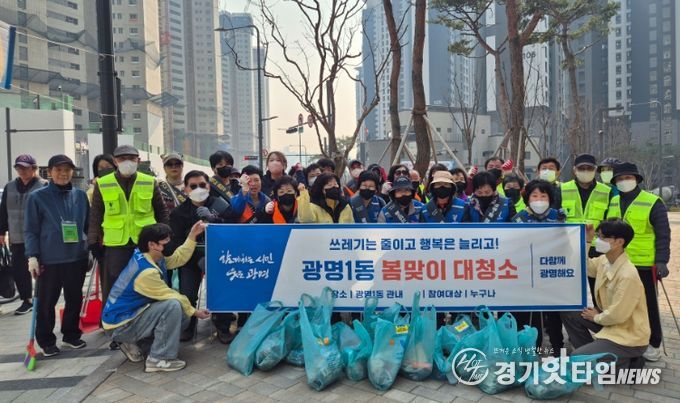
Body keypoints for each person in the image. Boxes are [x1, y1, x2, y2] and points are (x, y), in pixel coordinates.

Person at [88, 145, 169, 351]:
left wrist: (164, 237)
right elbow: (96, 214)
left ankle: (148, 330)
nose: (127, 162)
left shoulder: (149, 181)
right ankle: (116, 333)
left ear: (138, 160)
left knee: (148, 284)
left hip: (145, 244)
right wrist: (93, 241)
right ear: (115, 161)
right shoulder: (103, 183)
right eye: (122, 158)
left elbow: (161, 211)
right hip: (116, 245)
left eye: (132, 158)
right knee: (114, 288)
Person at [102, 222, 211, 372]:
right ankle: (159, 358)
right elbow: (171, 295)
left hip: (126, 318)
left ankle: (141, 345)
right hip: (120, 326)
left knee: (182, 313)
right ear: (152, 244)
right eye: (165, 242)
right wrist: (196, 312)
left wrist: (192, 235)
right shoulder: (146, 273)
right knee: (173, 306)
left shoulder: (148, 256)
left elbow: (178, 258)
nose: (169, 245)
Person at [561, 219, 650, 369]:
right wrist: (587, 240)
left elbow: (618, 315)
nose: (598, 240)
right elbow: (584, 266)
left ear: (619, 242)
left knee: (577, 358)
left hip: (627, 334)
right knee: (569, 311)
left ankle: (626, 361)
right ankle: (595, 352)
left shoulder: (628, 275)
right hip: (609, 321)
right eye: (598, 236)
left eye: (603, 237)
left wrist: (596, 317)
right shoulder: (605, 260)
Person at [24, 155, 89, 356]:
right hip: (49, 259)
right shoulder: (37, 197)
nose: (63, 173)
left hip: (76, 257)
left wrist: (91, 247)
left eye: (67, 170)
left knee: (74, 298)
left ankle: (71, 334)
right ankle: (46, 340)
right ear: (49, 172)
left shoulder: (80, 196)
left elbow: (88, 226)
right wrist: (32, 256)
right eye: (58, 169)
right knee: (46, 302)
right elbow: (31, 230)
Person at [606, 162, 671, 362]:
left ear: (636, 179)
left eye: (628, 177)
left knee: (648, 305)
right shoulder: (614, 201)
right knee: (621, 303)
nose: (624, 181)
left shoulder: (653, 202)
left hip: (644, 265)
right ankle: (627, 338)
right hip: (618, 263)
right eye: (620, 179)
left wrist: (662, 260)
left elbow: (663, 234)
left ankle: (653, 343)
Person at [167, 171, 231, 341]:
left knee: (221, 291)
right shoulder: (178, 213)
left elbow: (232, 231)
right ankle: (188, 325)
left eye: (202, 185)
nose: (198, 189)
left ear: (209, 186)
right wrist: (191, 235)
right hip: (190, 259)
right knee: (187, 294)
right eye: (193, 186)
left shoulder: (221, 205)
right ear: (186, 189)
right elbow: (175, 243)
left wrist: (214, 220)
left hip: (218, 258)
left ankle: (222, 326)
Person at [511, 179, 565, 349]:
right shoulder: (519, 218)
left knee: (553, 313)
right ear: (527, 198)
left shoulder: (558, 216)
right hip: (526, 273)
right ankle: (530, 346)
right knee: (529, 312)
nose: (539, 200)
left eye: (543, 196)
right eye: (534, 196)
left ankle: (557, 347)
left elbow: (565, 243)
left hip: (551, 271)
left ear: (550, 198)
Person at [561, 154, 612, 308]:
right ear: (574, 170)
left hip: (597, 248)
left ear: (595, 170)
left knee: (599, 290)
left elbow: (610, 220)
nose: (585, 171)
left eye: (589, 168)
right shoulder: (562, 189)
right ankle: (571, 319)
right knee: (568, 289)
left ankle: (601, 317)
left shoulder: (606, 191)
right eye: (581, 168)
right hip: (569, 246)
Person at [0, 155, 47, 315]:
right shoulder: (10, 187)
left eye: (25, 168)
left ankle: (44, 298)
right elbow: (3, 212)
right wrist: (1, 232)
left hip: (38, 237)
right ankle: (27, 300)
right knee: (19, 271)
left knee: (42, 268)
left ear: (34, 169)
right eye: (18, 168)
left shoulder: (43, 186)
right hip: (17, 237)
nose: (22, 171)